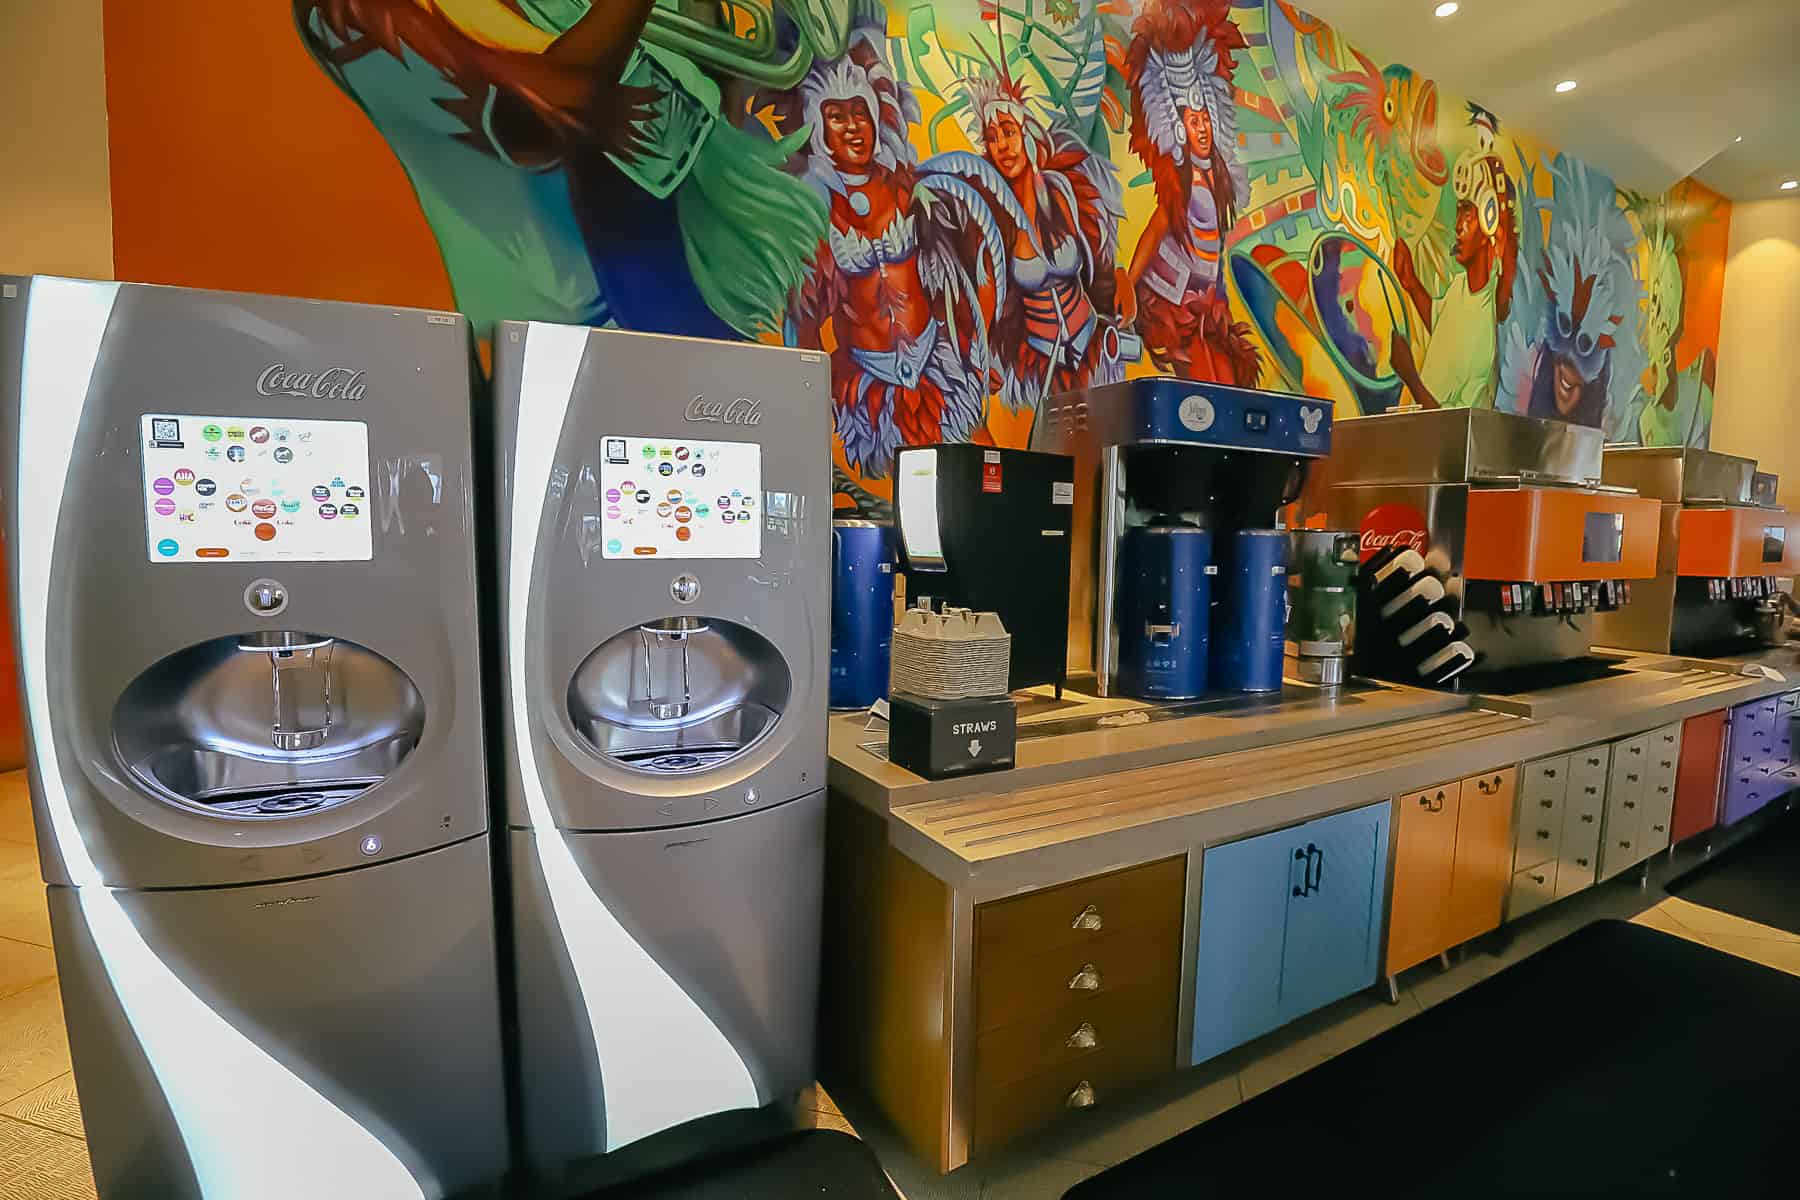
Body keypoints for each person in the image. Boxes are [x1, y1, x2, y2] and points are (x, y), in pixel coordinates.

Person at [788, 31, 986, 479]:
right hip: (868, 377)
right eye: (836, 117)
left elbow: (952, 271)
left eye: (860, 113)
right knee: (894, 495)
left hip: (934, 360)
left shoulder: (902, 185)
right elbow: (804, 321)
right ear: (819, 130)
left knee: (967, 476)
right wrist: (806, 399)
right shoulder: (815, 210)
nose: (853, 126)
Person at [1121, 0, 1259, 385]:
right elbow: (1157, 225)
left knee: (1229, 381)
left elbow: (1215, 250)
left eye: (1204, 120)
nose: (1201, 129)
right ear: (1178, 127)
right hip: (1174, 304)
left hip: (1207, 305)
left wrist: (1222, 302)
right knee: (1206, 385)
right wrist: (1129, 285)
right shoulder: (1182, 181)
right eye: (1192, 121)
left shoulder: (1217, 179)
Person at [1390, 146, 1518, 409]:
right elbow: (1441, 323)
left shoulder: (1484, 337)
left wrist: (1410, 377)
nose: (1457, 225)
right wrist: (1412, 282)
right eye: (1459, 212)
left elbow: (1454, 426)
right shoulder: (1460, 286)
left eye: (1467, 213)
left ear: (1488, 222)